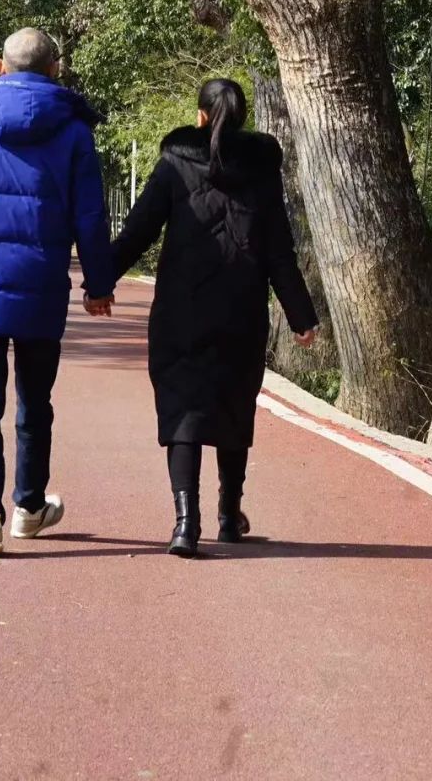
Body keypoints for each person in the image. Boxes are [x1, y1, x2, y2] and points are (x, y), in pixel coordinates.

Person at [0, 27, 116, 556]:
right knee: (35, 402)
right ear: (55, 69)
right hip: (42, 283)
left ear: (0, 66)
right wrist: (99, 284)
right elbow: (90, 215)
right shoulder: (74, 129)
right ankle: (29, 508)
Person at [112, 77, 318, 558]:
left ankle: (186, 523)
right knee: (233, 405)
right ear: (241, 119)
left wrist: (100, 281)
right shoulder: (262, 171)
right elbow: (280, 251)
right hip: (242, 308)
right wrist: (300, 315)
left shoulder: (175, 163)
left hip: (181, 309)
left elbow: (139, 230)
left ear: (200, 116)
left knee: (182, 407)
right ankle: (229, 514)